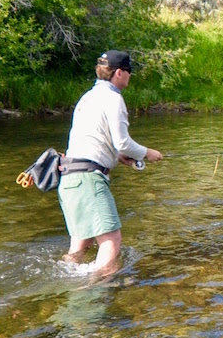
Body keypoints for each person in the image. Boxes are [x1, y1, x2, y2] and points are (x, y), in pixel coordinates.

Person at [57, 49, 162, 272]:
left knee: (80, 243)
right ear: (119, 73)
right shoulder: (113, 99)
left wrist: (118, 158)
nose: (130, 76)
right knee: (112, 240)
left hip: (69, 178)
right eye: (129, 71)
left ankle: (68, 285)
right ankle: (96, 294)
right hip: (89, 180)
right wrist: (147, 153)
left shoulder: (88, 97)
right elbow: (123, 142)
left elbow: (91, 139)